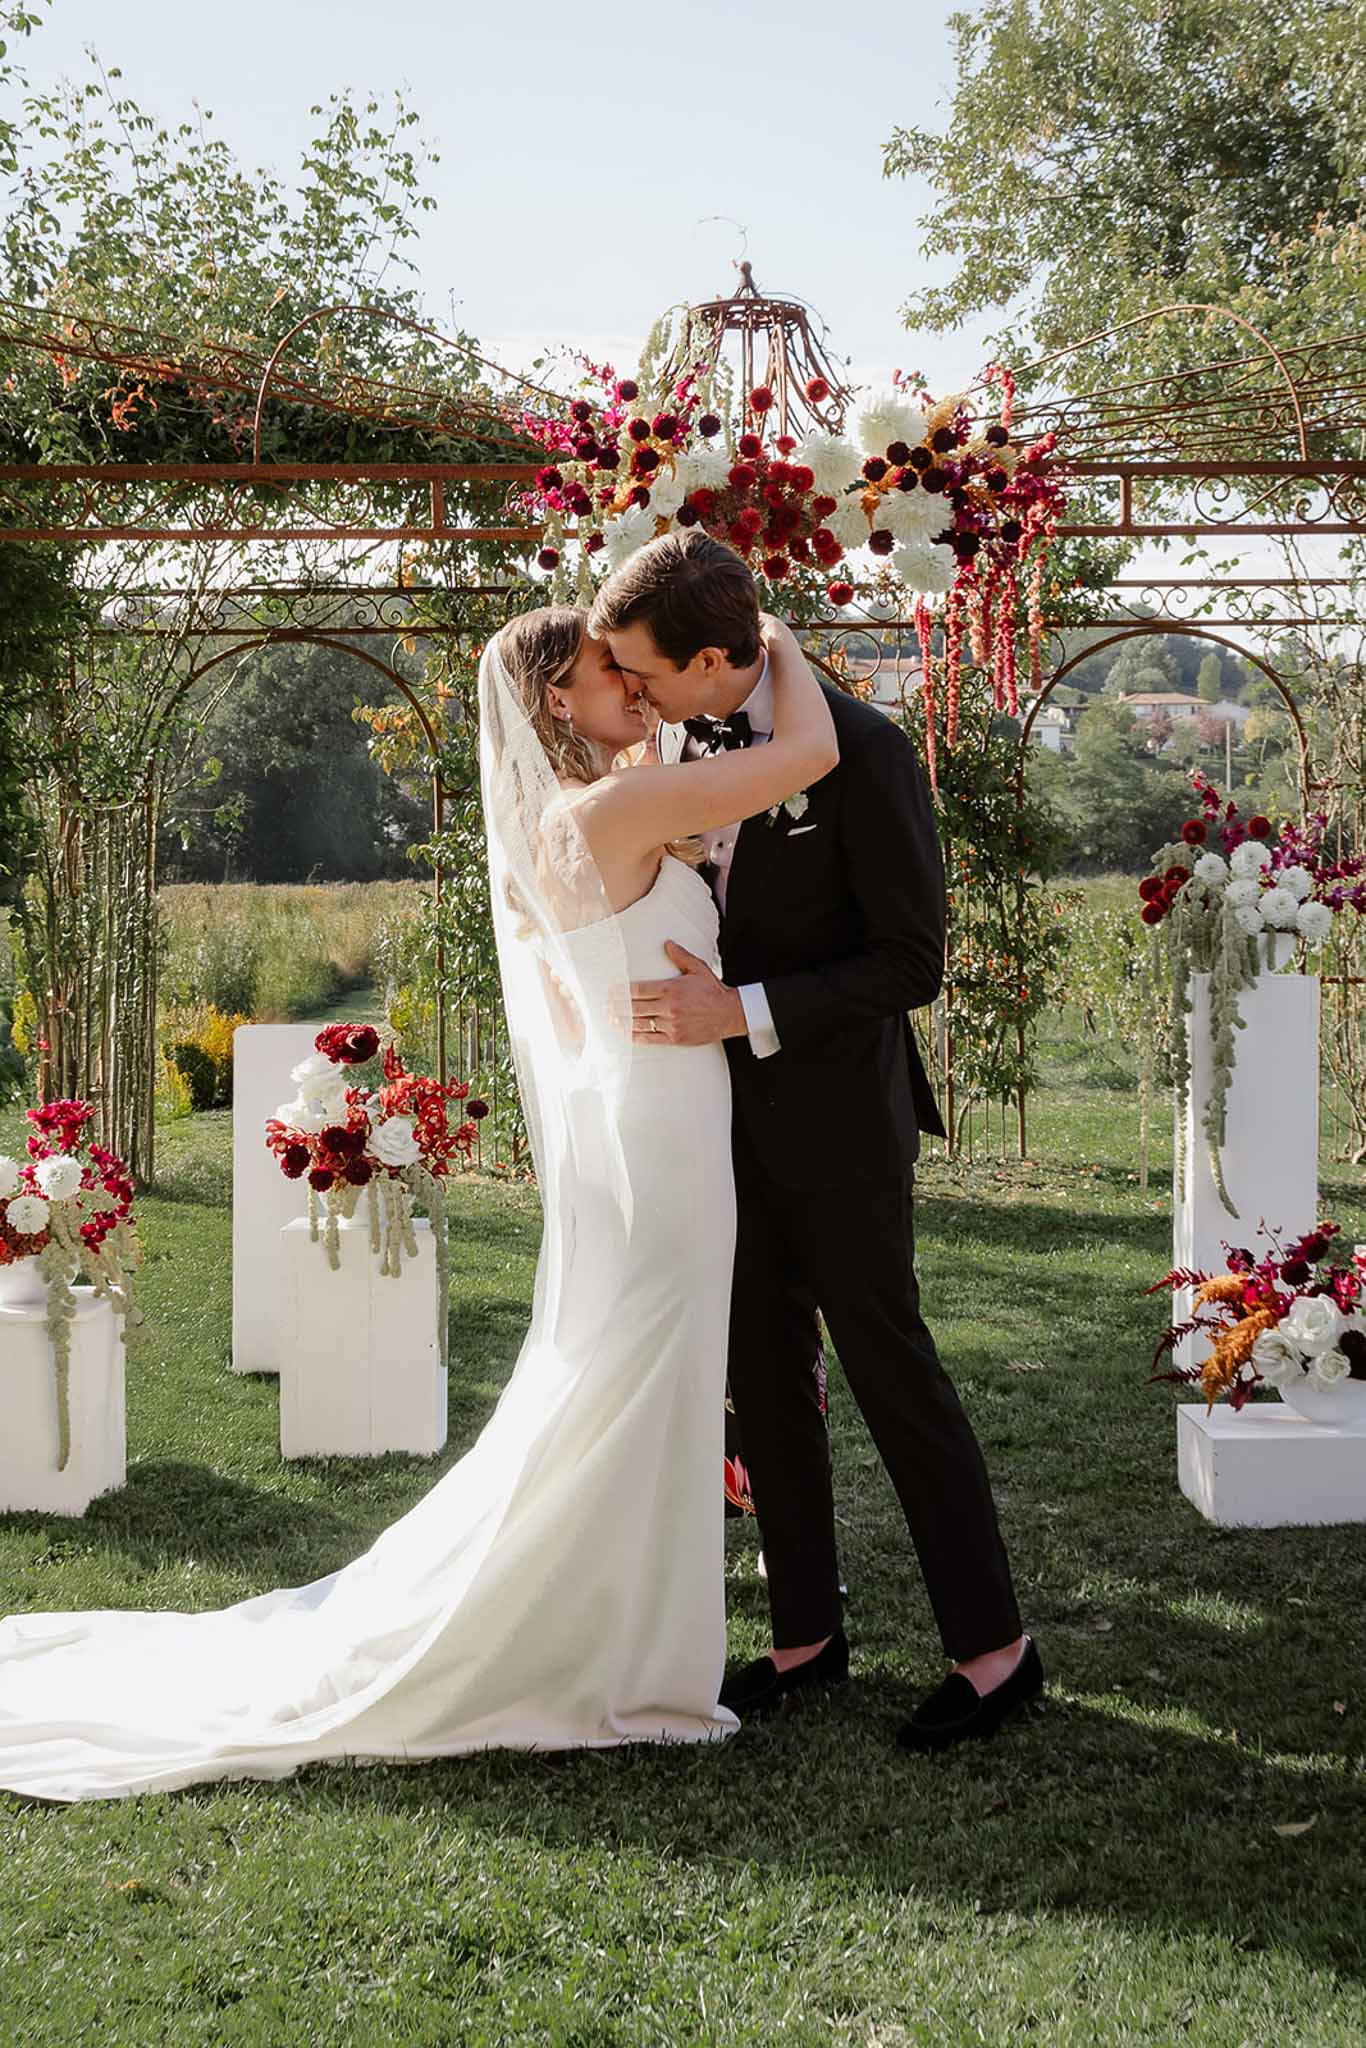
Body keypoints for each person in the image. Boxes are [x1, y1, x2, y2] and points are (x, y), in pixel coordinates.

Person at [0, 603, 837, 1804]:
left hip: (642, 1122)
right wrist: (776, 643)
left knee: (627, 1373)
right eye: (616, 671)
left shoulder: (569, 815)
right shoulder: (608, 811)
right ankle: (620, 1648)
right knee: (640, 1373)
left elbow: (575, 990)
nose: (641, 687)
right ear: (558, 697)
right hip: (662, 1139)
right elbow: (805, 758)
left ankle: (624, 1628)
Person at [590, 530, 1043, 1754]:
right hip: (719, 1127)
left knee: (892, 1370)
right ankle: (805, 1633)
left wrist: (735, 1011)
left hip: (842, 1125)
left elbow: (911, 961)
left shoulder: (868, 752)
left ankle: (995, 1651)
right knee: (763, 1378)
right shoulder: (681, 746)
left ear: (718, 657)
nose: (634, 698)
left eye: (648, 673)